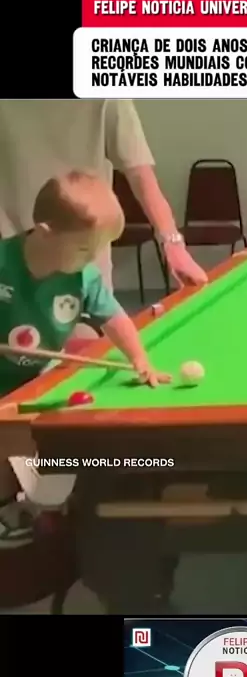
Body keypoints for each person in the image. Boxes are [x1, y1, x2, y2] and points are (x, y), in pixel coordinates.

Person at [0, 171, 172, 542]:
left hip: (38, 380)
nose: (92, 258)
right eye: (83, 249)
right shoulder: (2, 263)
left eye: (98, 249)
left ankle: (47, 495)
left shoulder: (83, 277)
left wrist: (140, 360)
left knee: (54, 439)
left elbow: (114, 318)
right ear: (45, 232)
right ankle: (6, 509)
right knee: (8, 442)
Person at [0, 100, 207, 292]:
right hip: (11, 260)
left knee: (95, 316)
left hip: (86, 260)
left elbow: (140, 173)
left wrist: (172, 242)